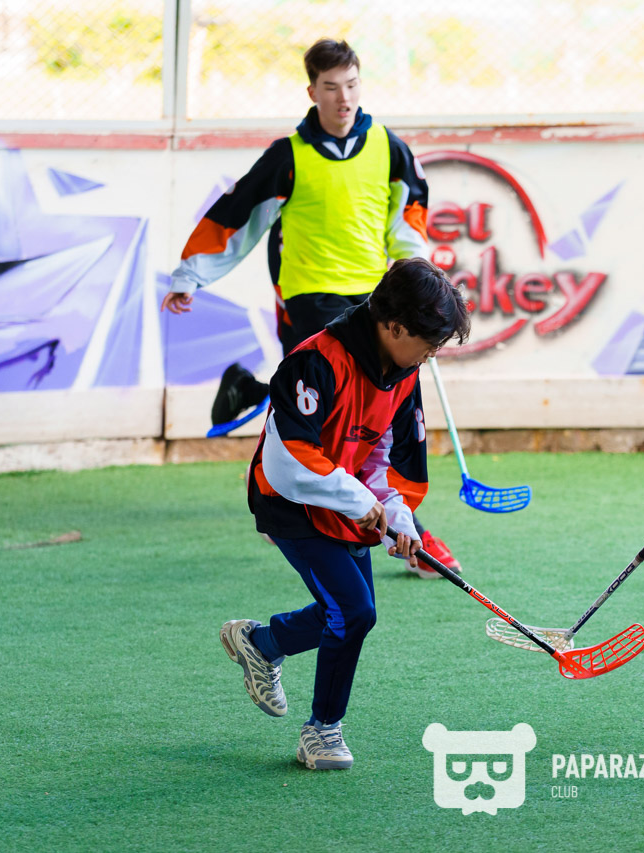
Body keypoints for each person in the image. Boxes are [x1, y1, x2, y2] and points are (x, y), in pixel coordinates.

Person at [161, 38, 462, 574]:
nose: (344, 98)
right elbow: (238, 214)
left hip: (379, 300)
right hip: (310, 299)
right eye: (331, 87)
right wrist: (191, 275)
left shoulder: (389, 148)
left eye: (352, 85)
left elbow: (409, 213)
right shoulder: (288, 156)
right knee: (325, 416)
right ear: (312, 92)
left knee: (388, 416)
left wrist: (417, 276)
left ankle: (406, 524)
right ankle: (298, 508)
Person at [219, 257, 470, 770]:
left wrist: (399, 517)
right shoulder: (315, 361)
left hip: (347, 505)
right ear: (394, 326)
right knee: (355, 612)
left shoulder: (405, 372)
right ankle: (322, 731)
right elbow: (291, 459)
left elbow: (386, 461)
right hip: (287, 501)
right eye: (429, 342)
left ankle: (261, 643)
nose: (432, 354)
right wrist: (363, 503)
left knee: (348, 612)